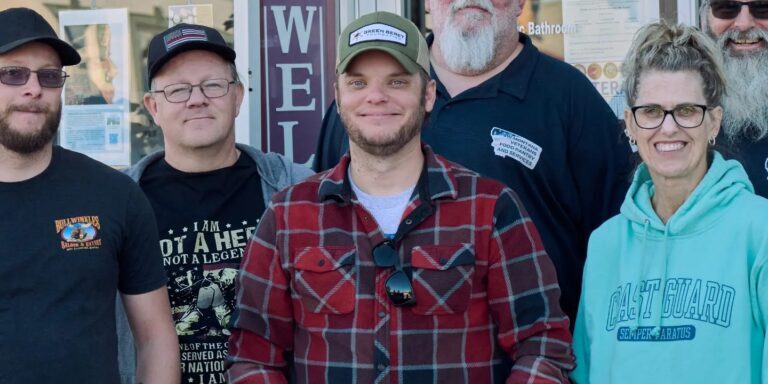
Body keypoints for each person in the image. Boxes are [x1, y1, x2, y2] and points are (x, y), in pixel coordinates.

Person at [228, 11, 574, 384]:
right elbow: (253, 358)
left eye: (396, 81)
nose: (376, 97)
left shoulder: (490, 208)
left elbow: (542, 345)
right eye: (358, 82)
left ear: (427, 95)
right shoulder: (287, 216)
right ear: (338, 96)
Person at [313, 0, 631, 324]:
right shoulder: (368, 108)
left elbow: (618, 249)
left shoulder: (571, 99)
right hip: (372, 354)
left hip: (527, 357)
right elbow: (321, 228)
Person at [115, 23, 313, 384]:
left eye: (213, 85)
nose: (197, 99)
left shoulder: (296, 188)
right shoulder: (118, 201)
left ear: (237, 96)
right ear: (153, 107)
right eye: (177, 90)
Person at [571, 21, 768, 383]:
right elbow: (588, 371)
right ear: (630, 123)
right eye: (651, 112)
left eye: (687, 111)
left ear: (714, 123)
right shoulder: (605, 245)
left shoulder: (759, 232)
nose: (668, 128)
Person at [0, 7, 179, 383]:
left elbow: (156, 338)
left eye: (49, 76)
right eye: (13, 74)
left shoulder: (113, 195)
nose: (34, 88)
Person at [700, 0, 768, 197]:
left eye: (763, 7)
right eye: (726, 8)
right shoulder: (680, 106)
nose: (744, 23)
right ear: (705, 18)